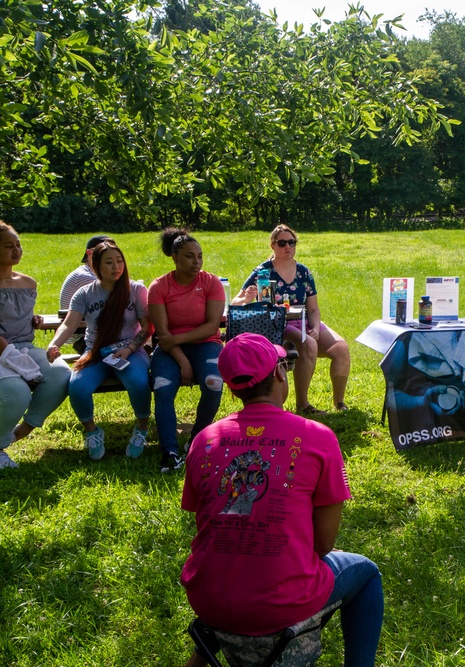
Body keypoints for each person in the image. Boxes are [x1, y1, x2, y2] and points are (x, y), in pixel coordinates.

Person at [180, 333, 383, 667]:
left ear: (232, 388)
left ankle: (204, 653)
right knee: (366, 572)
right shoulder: (318, 437)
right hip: (280, 603)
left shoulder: (205, 439)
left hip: (208, 596)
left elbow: (210, 523)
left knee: (234, 562)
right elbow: (322, 545)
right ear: (278, 374)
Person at [46, 240, 153, 461]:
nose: (116, 267)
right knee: (77, 386)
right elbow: (69, 323)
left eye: (119, 261)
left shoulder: (136, 290)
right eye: (109, 262)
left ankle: (142, 429)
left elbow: (147, 327)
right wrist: (54, 343)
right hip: (96, 351)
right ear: (96, 266)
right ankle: (93, 432)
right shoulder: (85, 293)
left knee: (139, 382)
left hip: (130, 350)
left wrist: (131, 348)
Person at [232, 224, 351, 415]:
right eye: (282, 243)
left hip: (303, 320)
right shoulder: (262, 272)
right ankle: (303, 404)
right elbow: (235, 302)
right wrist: (247, 298)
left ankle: (339, 403)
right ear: (272, 245)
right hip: (278, 324)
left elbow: (313, 308)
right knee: (309, 343)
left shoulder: (303, 272)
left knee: (341, 348)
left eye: (292, 242)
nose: (288, 247)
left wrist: (314, 326)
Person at [148, 228, 226, 474]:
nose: (197, 262)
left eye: (200, 256)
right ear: (175, 258)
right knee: (162, 388)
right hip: (170, 351)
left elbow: (212, 326)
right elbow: (162, 335)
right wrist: (184, 363)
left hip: (206, 343)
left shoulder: (211, 282)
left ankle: (197, 438)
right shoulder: (159, 286)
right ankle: (169, 452)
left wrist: (177, 339)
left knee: (214, 383)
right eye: (190, 257)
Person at [0, 221, 71, 469]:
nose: (16, 250)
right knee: (16, 391)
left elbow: (13, 315)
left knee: (61, 373)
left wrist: (32, 319)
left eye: (18, 244)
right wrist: (13, 358)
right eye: (9, 246)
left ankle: (20, 431)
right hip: (1, 351)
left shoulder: (27, 283)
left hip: (23, 346)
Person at [59, 235, 111, 354]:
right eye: (102, 251)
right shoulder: (84, 277)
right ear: (89, 253)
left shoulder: (87, 273)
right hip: (81, 335)